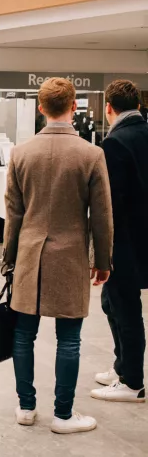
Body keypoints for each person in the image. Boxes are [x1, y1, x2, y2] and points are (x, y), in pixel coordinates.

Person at [3, 77, 113, 434]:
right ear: (74, 107)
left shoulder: (20, 153)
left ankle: (25, 406)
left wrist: (9, 258)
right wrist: (103, 260)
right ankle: (63, 415)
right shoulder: (91, 154)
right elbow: (102, 215)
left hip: (29, 255)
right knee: (69, 338)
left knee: (23, 335)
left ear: (40, 108)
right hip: (70, 255)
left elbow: (13, 215)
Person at [91, 79, 148, 403]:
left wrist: (101, 250)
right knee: (113, 303)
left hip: (125, 239)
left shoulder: (115, 144)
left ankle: (132, 380)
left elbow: (109, 203)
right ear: (137, 106)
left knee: (124, 307)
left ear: (109, 108)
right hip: (142, 237)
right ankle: (122, 364)